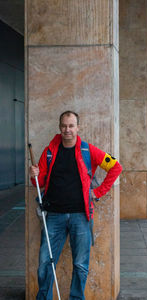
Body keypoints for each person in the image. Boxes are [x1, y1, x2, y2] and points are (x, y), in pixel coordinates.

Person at [30, 110, 122, 300]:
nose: (67, 130)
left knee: (80, 265)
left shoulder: (88, 151)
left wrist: (97, 193)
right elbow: (38, 183)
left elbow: (115, 167)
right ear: (59, 127)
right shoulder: (49, 152)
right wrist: (34, 174)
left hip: (81, 216)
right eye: (64, 126)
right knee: (44, 263)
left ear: (78, 128)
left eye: (71, 126)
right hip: (53, 216)